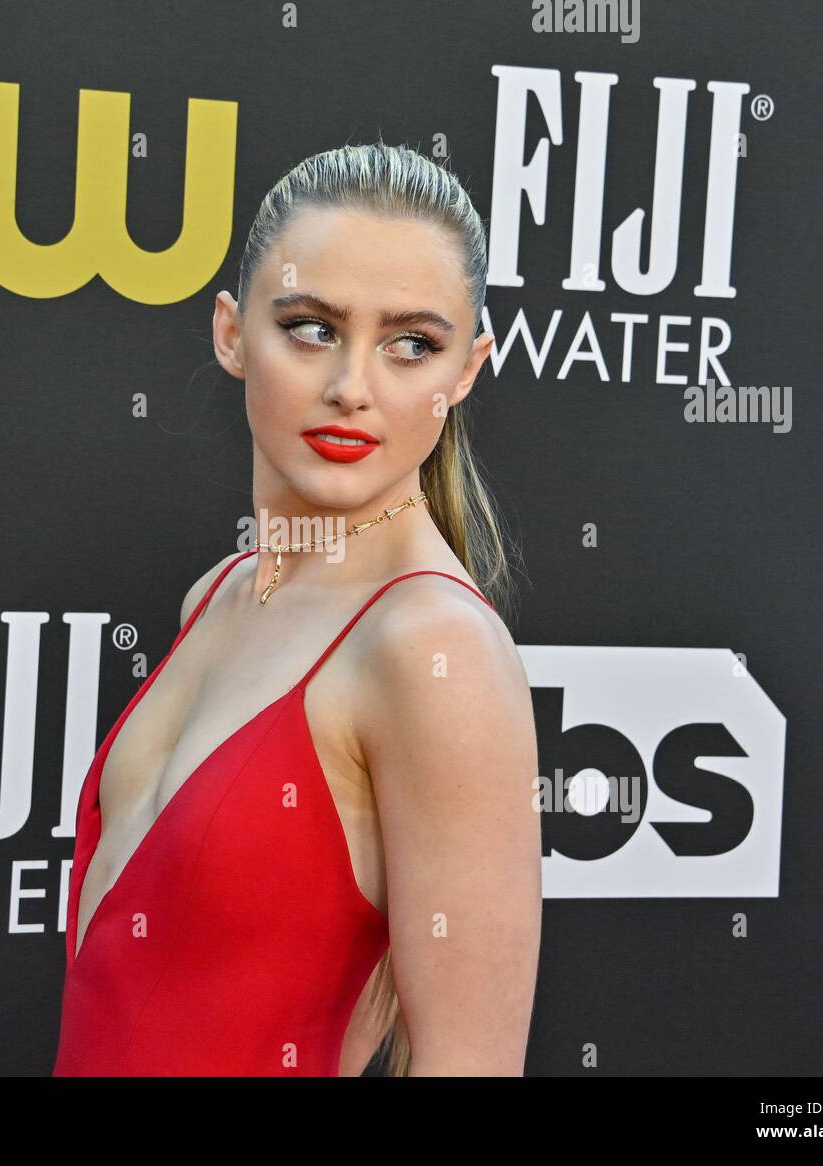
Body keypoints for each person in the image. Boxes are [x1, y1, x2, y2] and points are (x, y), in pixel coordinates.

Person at [52, 142, 540, 1077]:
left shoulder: (435, 651)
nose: (353, 386)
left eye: (412, 345)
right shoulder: (220, 595)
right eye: (313, 327)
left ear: (467, 370)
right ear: (232, 334)